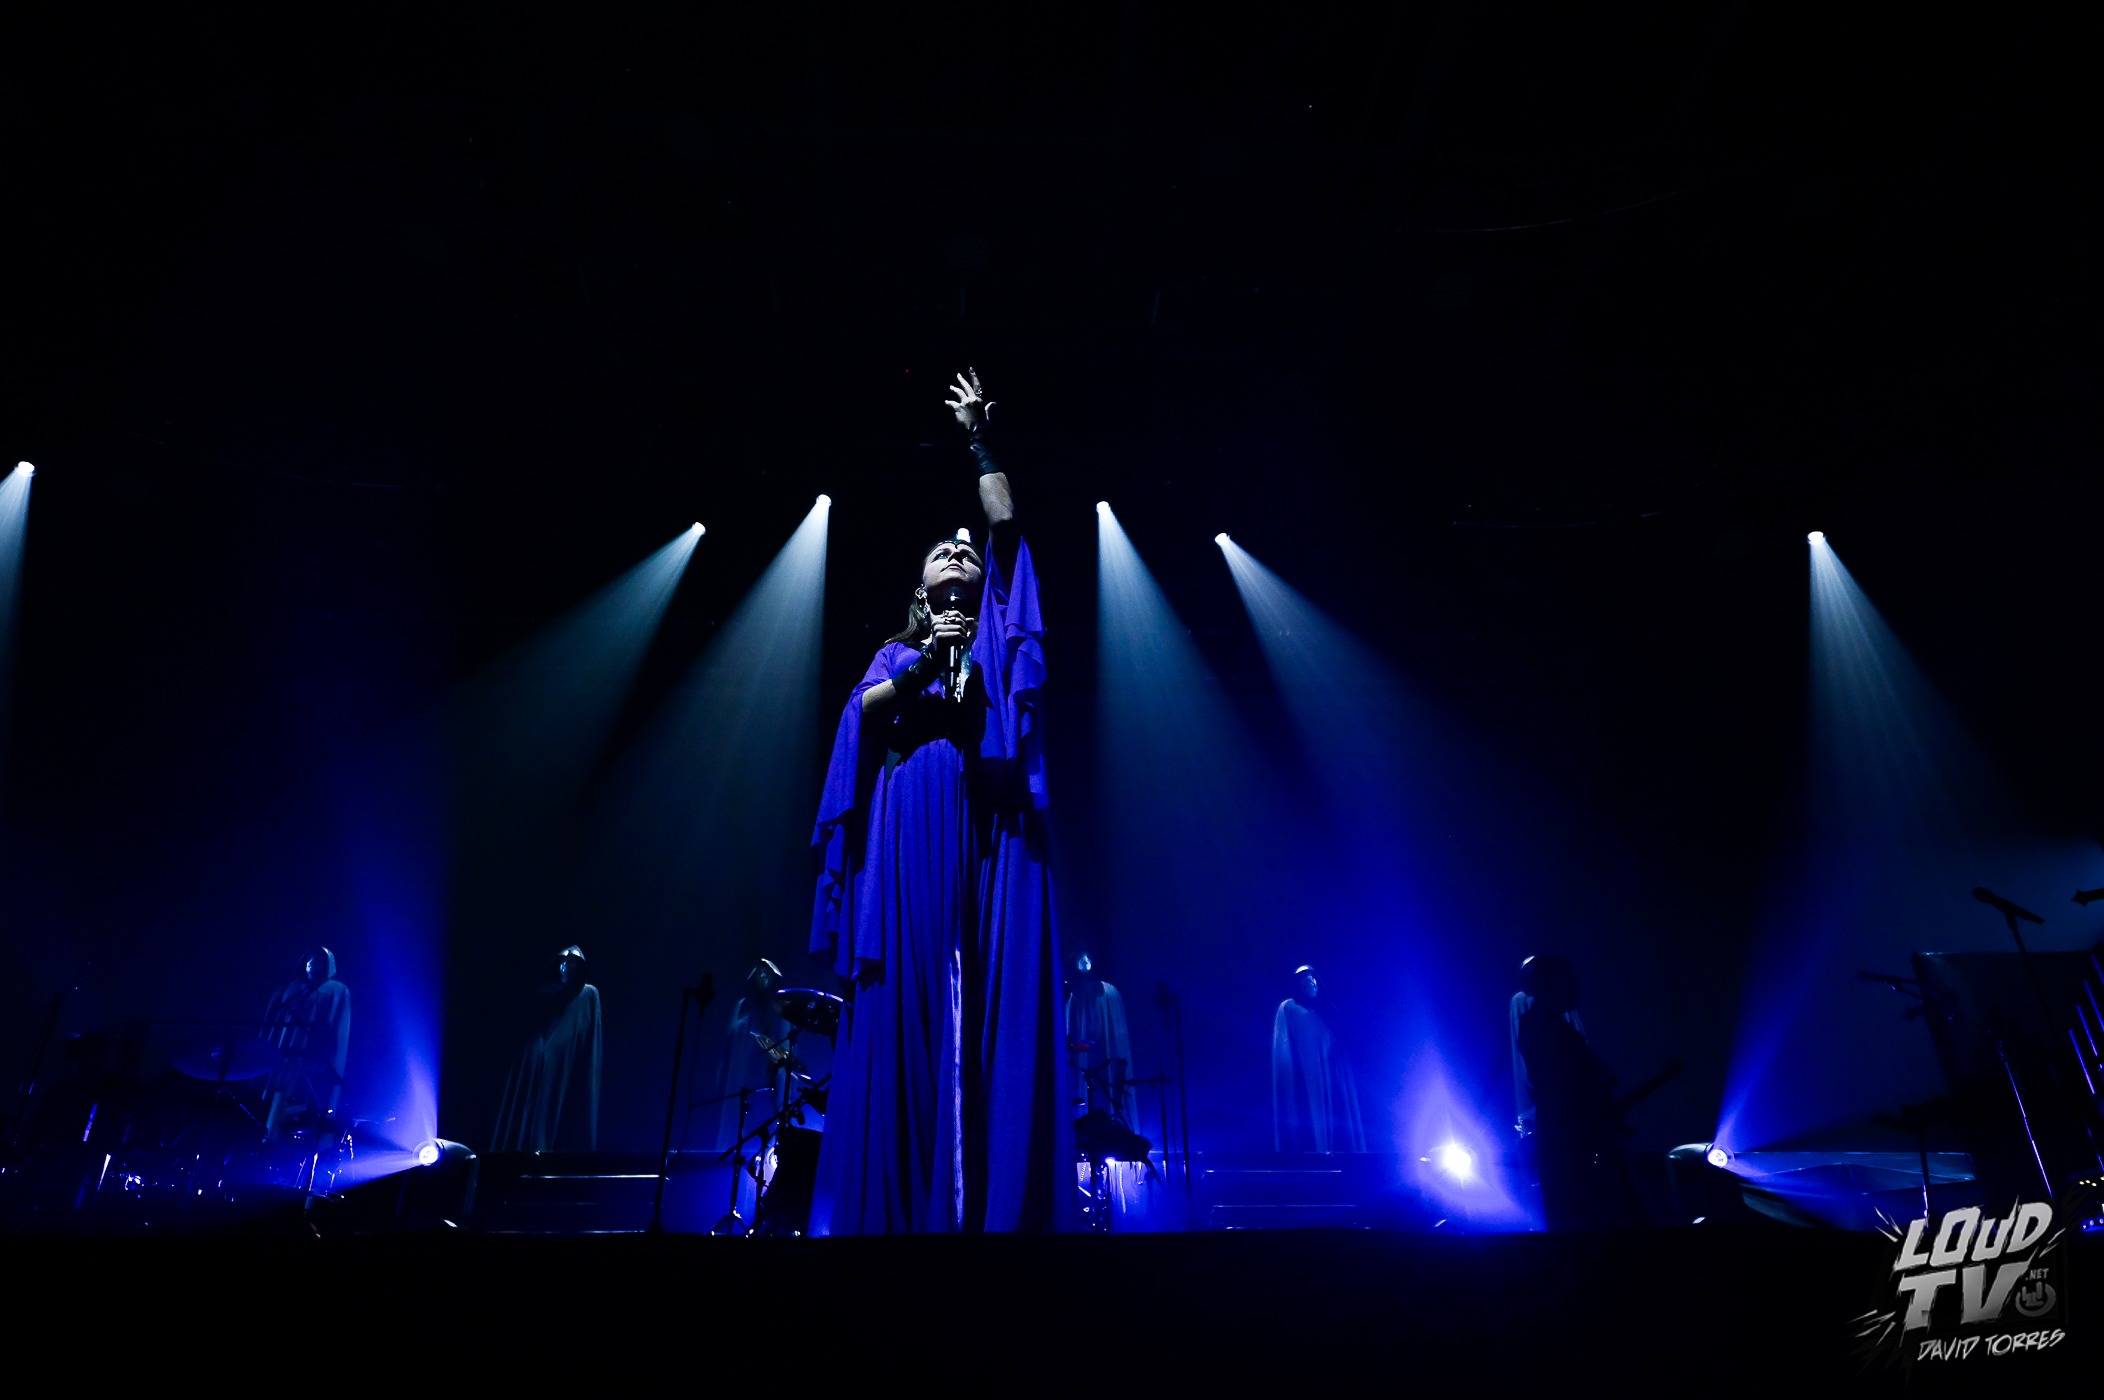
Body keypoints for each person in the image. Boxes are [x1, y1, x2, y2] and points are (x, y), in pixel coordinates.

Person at [807, 369, 1071, 1234]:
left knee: (986, 994)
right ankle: (897, 1207)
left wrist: (979, 440)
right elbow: (863, 714)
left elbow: (1004, 523)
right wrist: (924, 663)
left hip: (986, 828)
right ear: (920, 591)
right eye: (940, 553)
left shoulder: (996, 624)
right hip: (913, 823)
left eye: (963, 553)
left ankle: (991, 1207)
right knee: (909, 995)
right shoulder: (894, 652)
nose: (958, 550)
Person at [1513, 953, 1645, 1230]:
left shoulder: (1547, 1026)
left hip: (1576, 1140)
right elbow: (1564, 1088)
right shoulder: (1541, 1027)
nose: (1577, 988)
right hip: (1575, 1142)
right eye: (1569, 981)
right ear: (1551, 983)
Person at [490, 944, 603, 1153]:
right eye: (564, 961)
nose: (567, 966)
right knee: (529, 1111)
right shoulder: (544, 996)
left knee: (552, 1111)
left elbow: (587, 1036)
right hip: (538, 1058)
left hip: (565, 1062)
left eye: (573, 962)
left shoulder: (587, 995)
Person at [260, 946, 351, 1142]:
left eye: (317, 961)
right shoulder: (291, 989)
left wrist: (327, 1058)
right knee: (276, 1099)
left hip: (312, 1059)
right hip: (283, 1056)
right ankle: (266, 1142)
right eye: (309, 960)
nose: (311, 964)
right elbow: (272, 1023)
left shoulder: (336, 990)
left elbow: (337, 1028)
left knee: (302, 1105)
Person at [1271, 964, 1365, 1153]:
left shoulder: (1327, 1011)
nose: (1311, 982)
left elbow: (1341, 1050)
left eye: (1313, 979)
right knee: (1309, 1121)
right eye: (1305, 980)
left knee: (1337, 1123)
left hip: (1330, 1079)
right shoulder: (1289, 1007)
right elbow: (1283, 1048)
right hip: (1304, 1079)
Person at [1065, 951, 1132, 1114]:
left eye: (1088, 957)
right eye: (1081, 957)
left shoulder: (1108, 992)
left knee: (1101, 1088)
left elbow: (1115, 1029)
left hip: (1102, 1052)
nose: (1085, 961)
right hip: (1079, 1055)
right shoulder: (1071, 994)